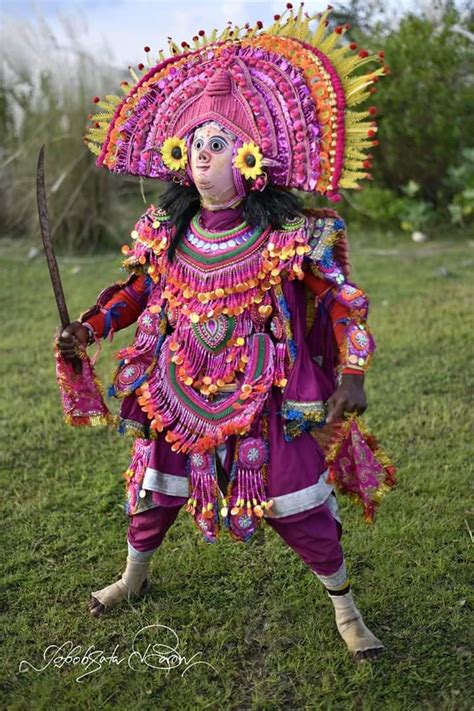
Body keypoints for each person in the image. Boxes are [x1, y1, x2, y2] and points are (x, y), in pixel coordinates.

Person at [56, 6, 394, 662]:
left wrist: (352, 373)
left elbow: (346, 304)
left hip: (268, 397)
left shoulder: (293, 237)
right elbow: (134, 293)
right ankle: (133, 576)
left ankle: (345, 608)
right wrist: (89, 327)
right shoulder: (167, 229)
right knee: (155, 490)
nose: (203, 159)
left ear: (253, 160)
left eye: (218, 145)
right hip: (175, 388)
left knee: (301, 508)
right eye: (196, 146)